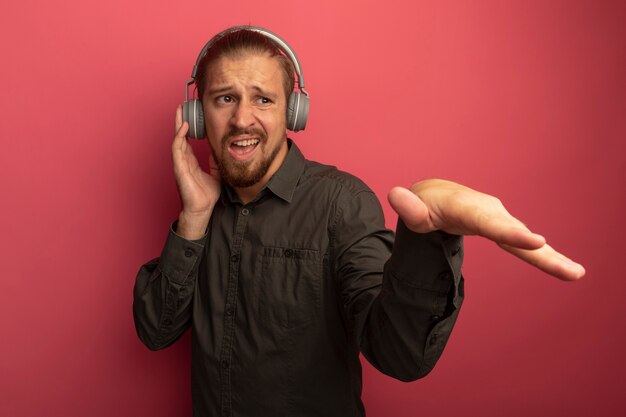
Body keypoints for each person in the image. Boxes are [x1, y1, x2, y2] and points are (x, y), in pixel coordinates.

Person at [133, 26, 585, 417]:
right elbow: (156, 332)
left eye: (264, 99)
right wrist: (193, 215)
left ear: (293, 114)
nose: (241, 119)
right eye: (224, 98)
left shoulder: (341, 203)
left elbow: (399, 355)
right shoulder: (204, 210)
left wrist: (428, 240)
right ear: (196, 116)